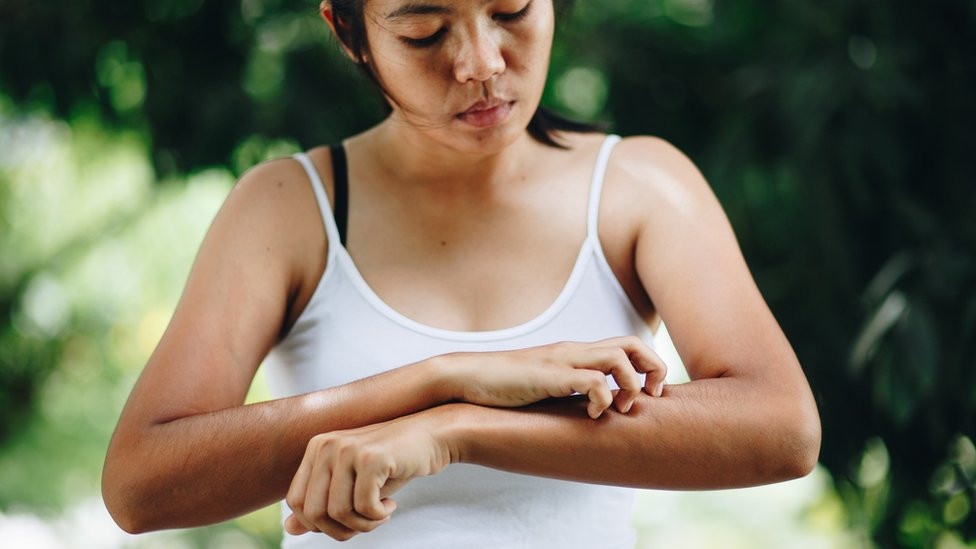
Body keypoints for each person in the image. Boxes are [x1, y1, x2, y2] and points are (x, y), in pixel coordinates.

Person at [101, 0, 821, 547]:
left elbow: (781, 429)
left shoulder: (640, 185)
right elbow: (141, 483)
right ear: (348, 33)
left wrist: (458, 429)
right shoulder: (288, 207)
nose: (480, 62)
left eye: (510, 10)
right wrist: (438, 379)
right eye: (424, 31)